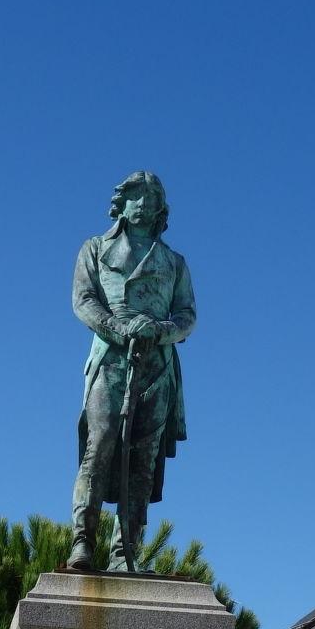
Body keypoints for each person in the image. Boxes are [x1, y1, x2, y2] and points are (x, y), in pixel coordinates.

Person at [68, 171, 197, 573]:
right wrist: (117, 328)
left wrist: (161, 331)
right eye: (135, 196)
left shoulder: (174, 262)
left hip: (156, 365)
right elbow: (84, 299)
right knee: (101, 444)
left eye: (151, 197)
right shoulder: (94, 248)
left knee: (143, 459)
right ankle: (82, 542)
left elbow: (187, 315)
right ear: (120, 204)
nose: (143, 203)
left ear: (161, 208)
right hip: (111, 358)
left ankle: (126, 552)